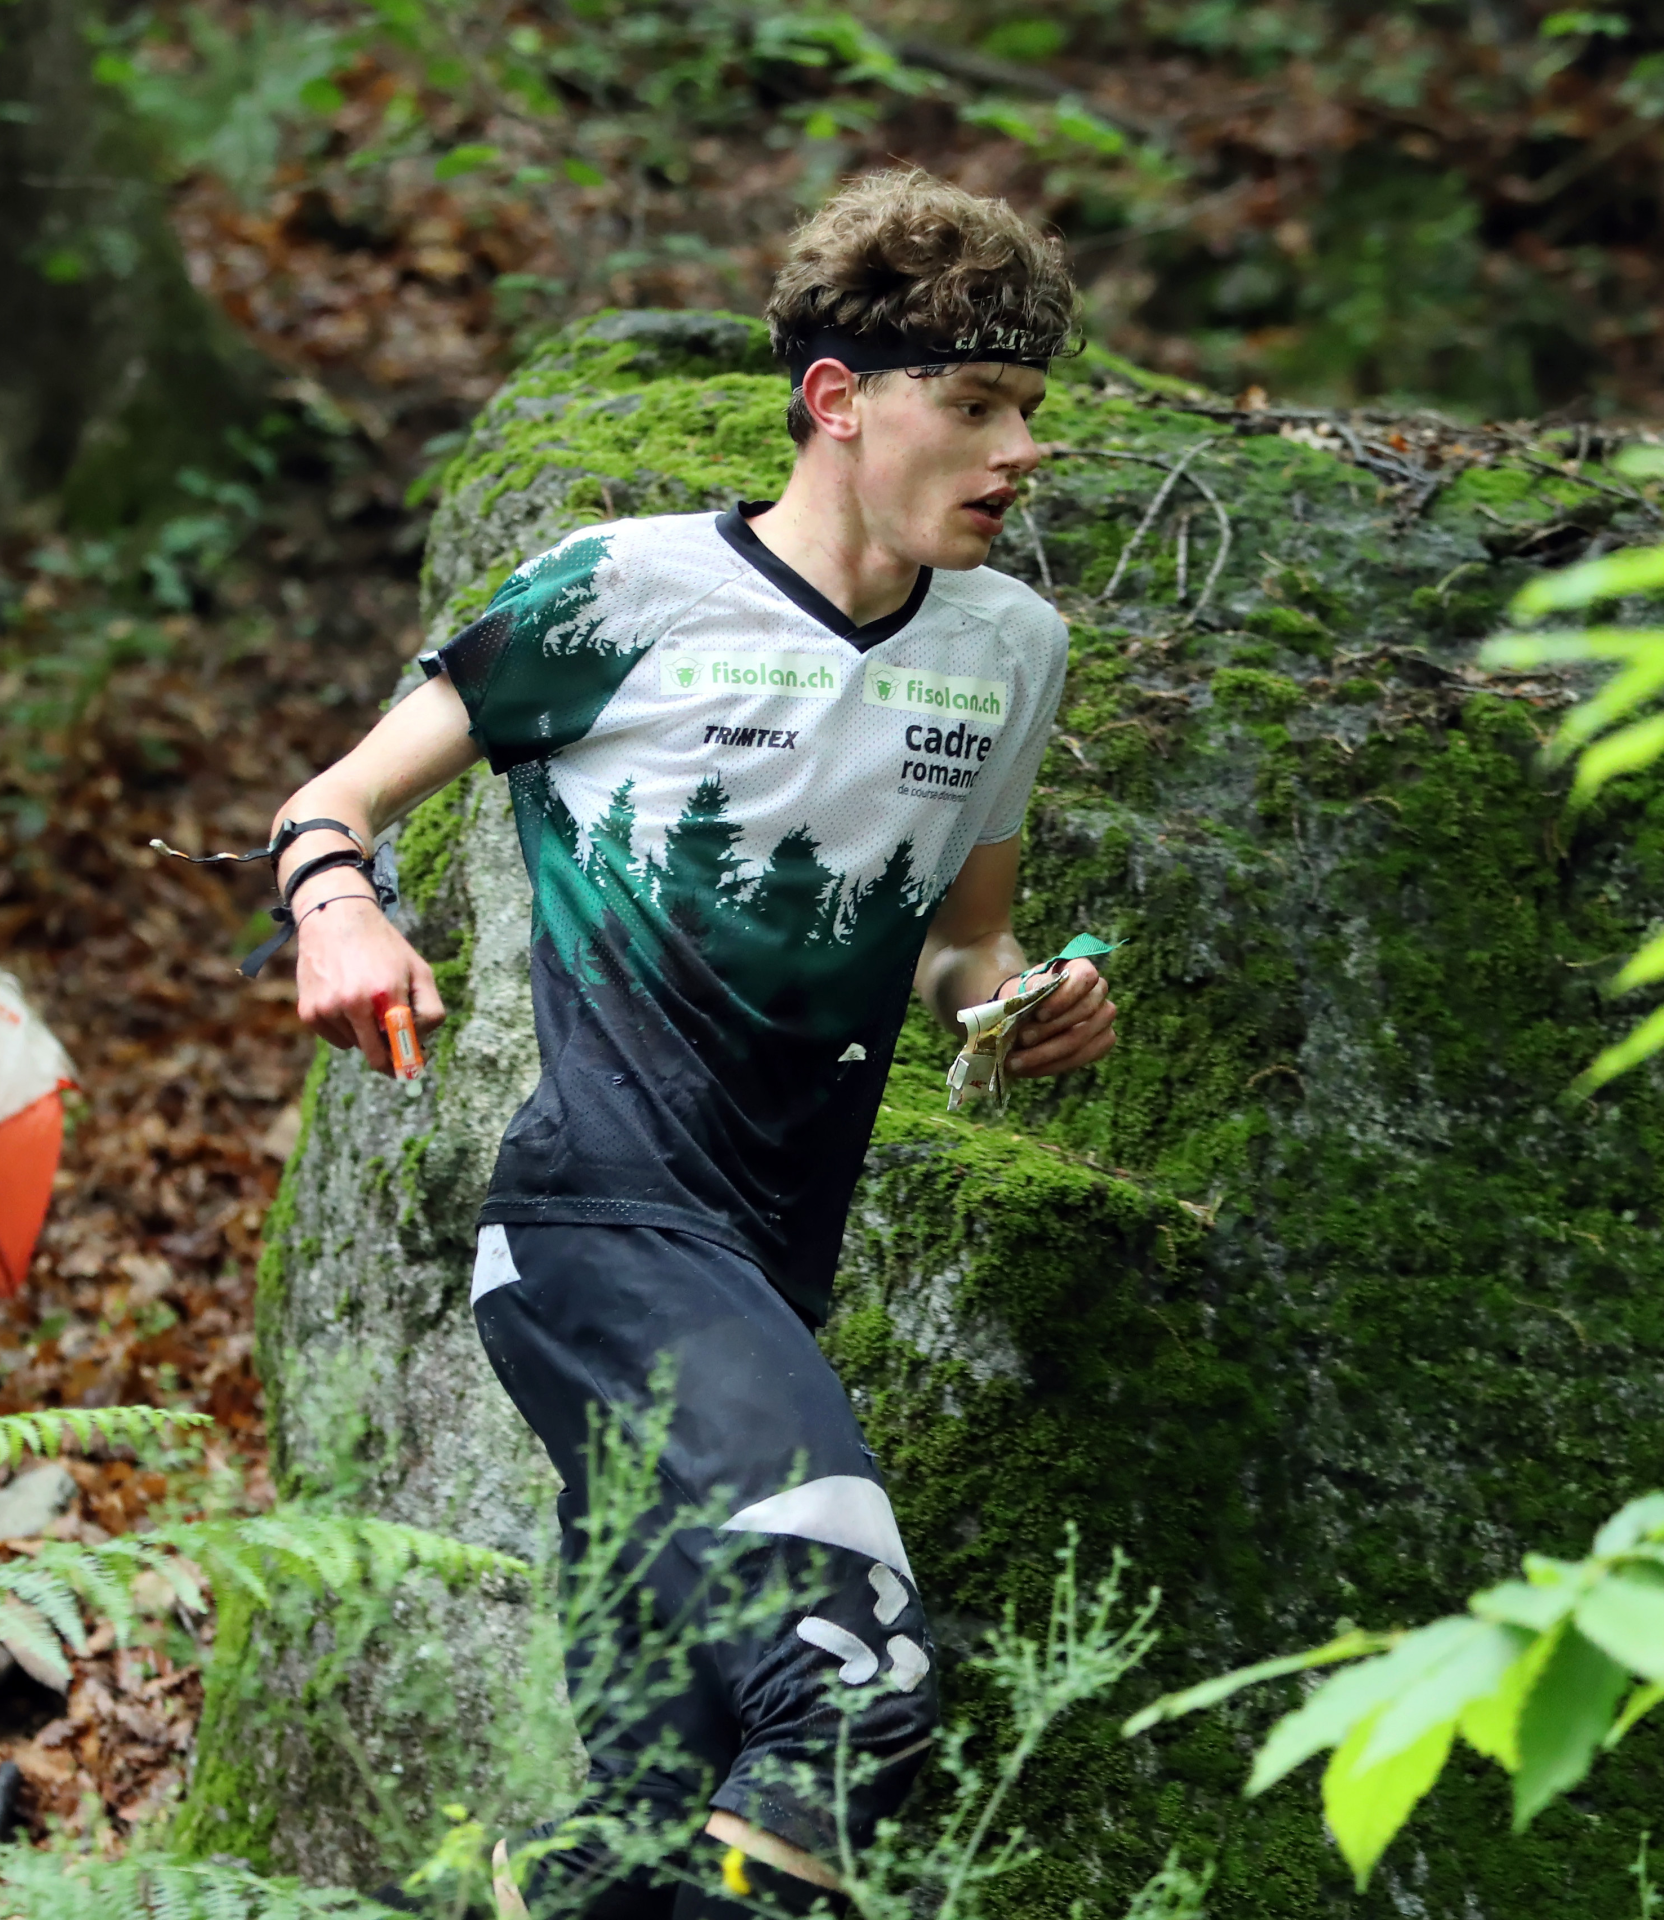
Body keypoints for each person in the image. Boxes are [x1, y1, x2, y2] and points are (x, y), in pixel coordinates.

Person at [266, 167, 1117, 1918]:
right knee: (856, 1688)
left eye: (1027, 407)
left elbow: (968, 941)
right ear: (837, 402)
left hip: (768, 1267)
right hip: (593, 1236)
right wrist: (343, 910)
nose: (1019, 447)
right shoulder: (621, 593)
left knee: (651, 1834)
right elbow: (329, 804)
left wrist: (1022, 1004)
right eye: (973, 404)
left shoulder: (1012, 649)